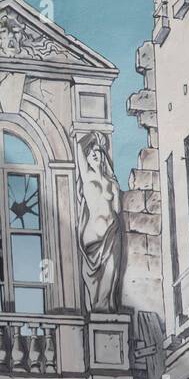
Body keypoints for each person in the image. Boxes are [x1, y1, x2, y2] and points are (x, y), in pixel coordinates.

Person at [74, 131, 125, 313]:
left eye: (98, 150)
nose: (94, 154)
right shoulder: (87, 177)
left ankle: (105, 311)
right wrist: (94, 135)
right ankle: (97, 311)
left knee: (111, 277)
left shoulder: (111, 182)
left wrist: (117, 189)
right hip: (94, 238)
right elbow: (78, 146)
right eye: (91, 152)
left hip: (112, 234)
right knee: (95, 283)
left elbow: (118, 210)